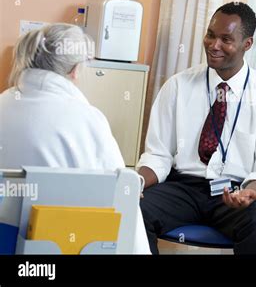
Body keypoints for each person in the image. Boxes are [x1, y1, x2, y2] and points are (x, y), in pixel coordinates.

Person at [138, 2, 256, 254]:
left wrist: (251, 192)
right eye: (210, 34)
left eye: (226, 39)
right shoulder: (178, 86)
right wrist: (138, 181)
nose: (213, 44)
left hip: (235, 191)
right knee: (134, 209)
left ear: (247, 44)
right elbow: (158, 154)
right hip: (183, 187)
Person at [0, 23, 150, 254]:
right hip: (59, 244)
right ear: (75, 70)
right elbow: (121, 193)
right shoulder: (87, 119)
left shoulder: (3, 103)